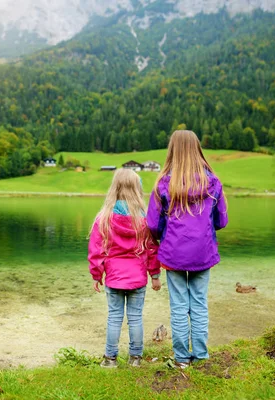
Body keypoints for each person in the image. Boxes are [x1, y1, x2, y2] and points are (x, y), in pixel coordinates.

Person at [147, 130, 228, 368]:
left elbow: (152, 223)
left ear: (172, 150)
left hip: (173, 254)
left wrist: (164, 234)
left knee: (179, 306)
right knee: (200, 303)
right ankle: (201, 356)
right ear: (197, 149)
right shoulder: (212, 181)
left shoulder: (163, 183)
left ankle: (182, 359)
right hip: (203, 253)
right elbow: (221, 221)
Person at [88, 168, 161, 368]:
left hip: (114, 277)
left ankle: (110, 359)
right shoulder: (145, 219)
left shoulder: (103, 218)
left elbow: (96, 251)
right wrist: (154, 275)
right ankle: (135, 359)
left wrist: (96, 275)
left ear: (115, 188)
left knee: (114, 318)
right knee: (135, 318)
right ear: (137, 189)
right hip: (137, 277)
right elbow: (152, 249)